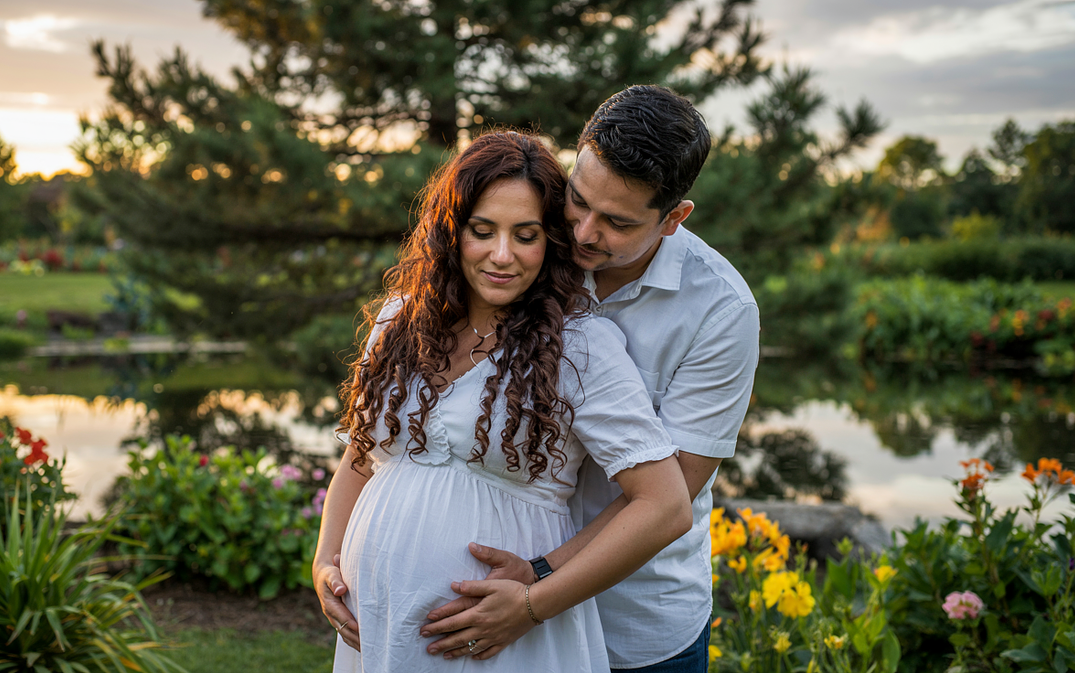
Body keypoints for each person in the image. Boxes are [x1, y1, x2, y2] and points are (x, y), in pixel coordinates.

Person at [312, 130, 695, 673]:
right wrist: (325, 558)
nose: (501, 255)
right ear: (452, 231)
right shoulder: (399, 322)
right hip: (380, 624)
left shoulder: (580, 347)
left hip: (507, 642)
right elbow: (361, 458)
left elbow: (666, 506)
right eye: (482, 230)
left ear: (551, 242)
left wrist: (533, 604)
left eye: (526, 235)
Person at [420, 86, 760, 672]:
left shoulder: (721, 311)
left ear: (674, 218)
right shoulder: (529, 247)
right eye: (578, 200)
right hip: (502, 597)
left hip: (636, 620)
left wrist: (541, 583)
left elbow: (670, 490)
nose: (581, 233)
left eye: (618, 222)